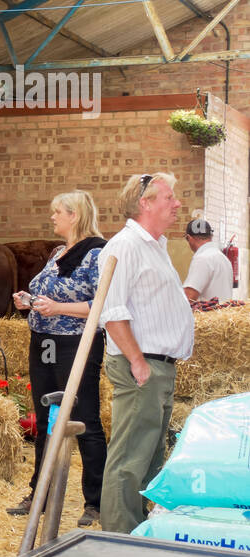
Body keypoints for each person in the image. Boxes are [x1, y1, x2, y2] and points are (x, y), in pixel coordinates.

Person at [98, 173, 195, 534]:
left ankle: (140, 530)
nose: (177, 204)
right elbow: (112, 311)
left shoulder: (155, 245)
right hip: (142, 365)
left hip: (158, 365)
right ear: (146, 203)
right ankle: (121, 535)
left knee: (149, 456)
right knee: (129, 457)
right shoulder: (125, 246)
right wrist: (138, 362)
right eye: (169, 197)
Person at [8, 190, 107, 526]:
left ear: (74, 215)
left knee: (85, 420)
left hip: (76, 345)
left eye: (57, 212)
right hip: (43, 342)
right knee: (46, 420)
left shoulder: (97, 253)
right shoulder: (58, 253)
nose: (52, 217)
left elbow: (103, 304)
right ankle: (41, 492)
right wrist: (30, 300)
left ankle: (95, 501)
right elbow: (47, 294)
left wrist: (59, 308)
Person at [181, 214, 233, 303]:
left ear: (189, 238)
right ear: (211, 236)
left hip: (209, 315)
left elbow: (189, 296)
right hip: (224, 314)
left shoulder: (202, 259)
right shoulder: (222, 258)